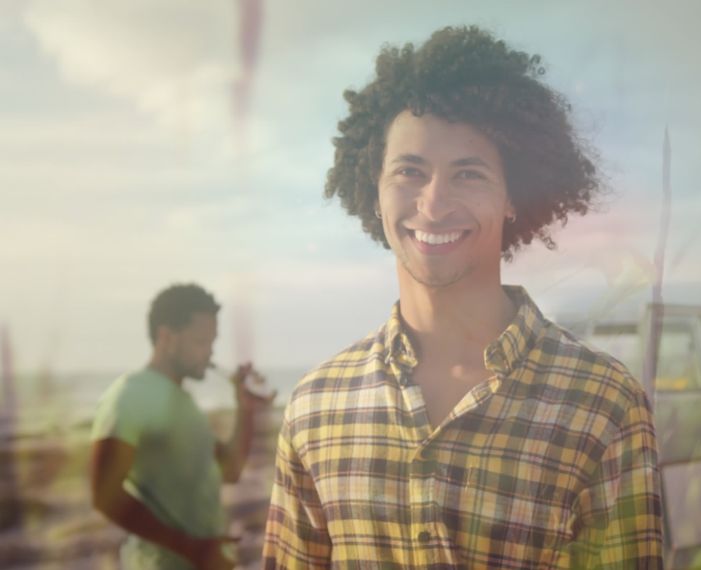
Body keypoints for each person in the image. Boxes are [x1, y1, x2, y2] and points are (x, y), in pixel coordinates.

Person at [262, 26, 663, 568]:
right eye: (410, 171)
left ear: (512, 197)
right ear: (374, 193)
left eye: (468, 174)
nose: (433, 204)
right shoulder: (316, 405)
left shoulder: (603, 404)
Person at [90, 283, 274, 569]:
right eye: (201, 342)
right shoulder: (130, 394)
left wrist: (244, 408)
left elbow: (231, 470)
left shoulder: (184, 404)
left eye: (212, 343)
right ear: (166, 337)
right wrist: (195, 550)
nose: (210, 354)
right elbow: (105, 494)